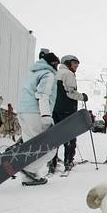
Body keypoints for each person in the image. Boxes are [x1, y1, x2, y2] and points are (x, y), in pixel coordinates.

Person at [16, 52, 60, 185]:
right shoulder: (48, 74)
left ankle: (30, 176)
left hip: (23, 112)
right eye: (56, 63)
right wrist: (46, 116)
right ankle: (29, 169)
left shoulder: (33, 74)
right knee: (49, 148)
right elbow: (42, 95)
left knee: (31, 147)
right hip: (36, 113)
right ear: (52, 63)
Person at [48, 55, 87, 174]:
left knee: (55, 136)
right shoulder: (68, 74)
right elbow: (70, 92)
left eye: (78, 64)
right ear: (68, 63)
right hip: (67, 109)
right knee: (69, 136)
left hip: (55, 109)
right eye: (75, 63)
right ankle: (68, 161)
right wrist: (82, 97)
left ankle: (52, 162)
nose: (76, 66)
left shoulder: (55, 74)